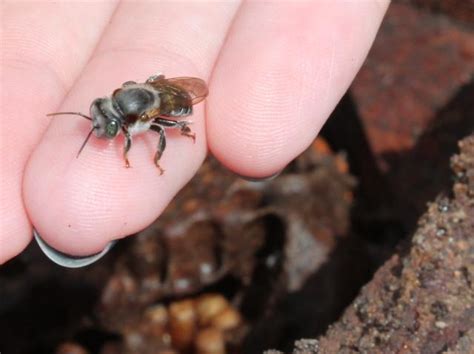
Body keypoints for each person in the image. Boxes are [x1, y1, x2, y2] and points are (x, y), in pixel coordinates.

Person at [0, 1, 390, 265]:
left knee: (170, 129)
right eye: (101, 117)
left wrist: (141, 150)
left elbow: (153, 121)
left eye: (110, 123)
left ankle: (174, 140)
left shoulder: (143, 116)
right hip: (155, 87)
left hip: (173, 99)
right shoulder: (119, 97)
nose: (103, 126)